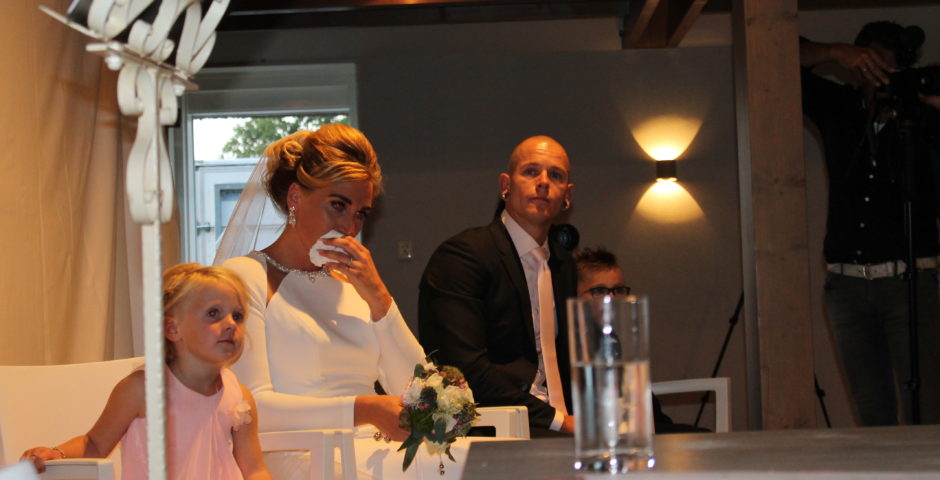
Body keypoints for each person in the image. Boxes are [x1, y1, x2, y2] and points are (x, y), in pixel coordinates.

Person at [216, 124, 476, 480]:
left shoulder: (354, 287)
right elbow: (251, 407)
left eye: (360, 213)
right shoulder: (245, 277)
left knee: (492, 465)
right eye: (338, 206)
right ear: (295, 197)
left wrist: (378, 296)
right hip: (299, 454)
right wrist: (363, 409)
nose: (349, 228)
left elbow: (423, 396)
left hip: (373, 451)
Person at [800, 21, 940, 426]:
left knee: (927, 411)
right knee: (872, 413)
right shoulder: (839, 107)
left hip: (909, 281)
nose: (881, 80)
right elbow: (777, 55)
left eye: (889, 70)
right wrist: (835, 50)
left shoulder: (921, 119)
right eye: (872, 68)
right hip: (846, 286)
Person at [21, 263, 273, 480]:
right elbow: (95, 444)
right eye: (213, 313)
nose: (230, 324)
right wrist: (57, 453)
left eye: (237, 316)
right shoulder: (142, 390)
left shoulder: (239, 397)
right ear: (172, 329)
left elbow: (253, 469)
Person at [419, 135, 577, 436]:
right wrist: (558, 421)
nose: (543, 182)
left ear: (567, 195)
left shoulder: (563, 263)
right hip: (495, 426)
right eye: (531, 171)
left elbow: (568, 359)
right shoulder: (463, 256)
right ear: (506, 185)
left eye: (555, 175)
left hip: (561, 422)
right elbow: (464, 371)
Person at [573, 246, 710, 434]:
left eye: (618, 290)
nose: (612, 298)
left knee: (700, 436)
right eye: (600, 291)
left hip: (641, 425)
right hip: (603, 430)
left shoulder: (613, 337)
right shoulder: (574, 343)